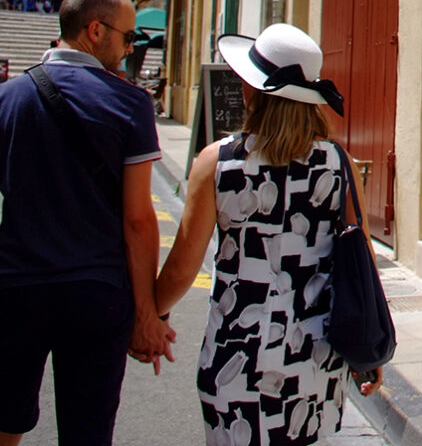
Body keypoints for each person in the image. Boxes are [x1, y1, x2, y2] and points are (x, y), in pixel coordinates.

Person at [0, 0, 175, 446]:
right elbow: (139, 222)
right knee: (86, 435)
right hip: (95, 296)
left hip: (14, 293)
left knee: (0, 428)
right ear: (96, 31)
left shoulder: (3, 99)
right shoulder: (130, 104)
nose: (128, 49)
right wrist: (146, 315)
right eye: (127, 37)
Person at [155, 23, 382, 446]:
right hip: (314, 359)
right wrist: (370, 346)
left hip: (237, 357)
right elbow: (361, 259)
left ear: (252, 91)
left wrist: (150, 316)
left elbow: (182, 269)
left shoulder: (217, 164)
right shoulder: (339, 163)